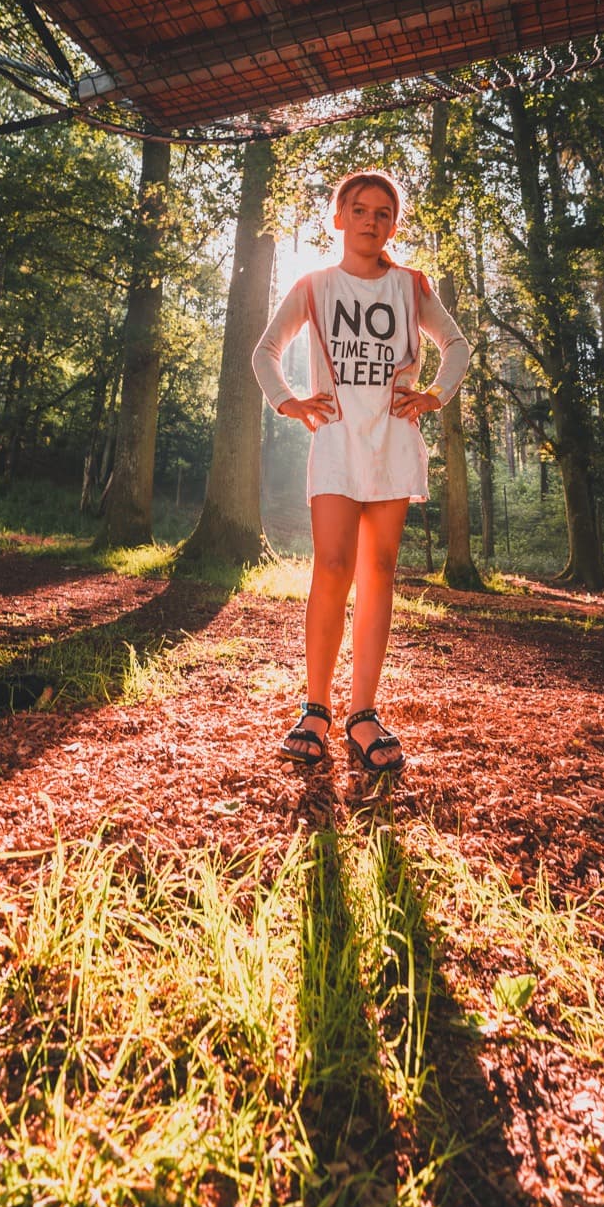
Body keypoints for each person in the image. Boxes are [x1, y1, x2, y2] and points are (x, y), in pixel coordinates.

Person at [252, 170, 470, 777]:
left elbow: (458, 346)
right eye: (360, 209)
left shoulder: (410, 286)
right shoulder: (315, 286)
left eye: (382, 212)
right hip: (337, 442)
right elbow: (264, 350)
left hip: (393, 442)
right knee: (333, 565)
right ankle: (315, 708)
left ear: (393, 225)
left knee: (379, 570)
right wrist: (289, 402)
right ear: (339, 218)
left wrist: (433, 395)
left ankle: (363, 713)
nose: (371, 220)